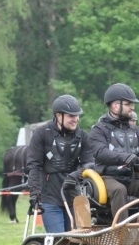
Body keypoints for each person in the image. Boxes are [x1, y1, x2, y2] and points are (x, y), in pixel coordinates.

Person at [89, 83, 139, 221]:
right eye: (129, 104)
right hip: (107, 178)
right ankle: (122, 231)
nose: (132, 107)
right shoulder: (99, 130)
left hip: (132, 179)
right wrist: (125, 157)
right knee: (119, 189)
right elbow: (101, 153)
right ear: (116, 106)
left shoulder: (136, 131)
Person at [26, 94, 93, 233]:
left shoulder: (83, 137)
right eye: (71, 116)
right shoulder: (41, 134)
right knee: (59, 240)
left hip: (74, 196)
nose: (75, 119)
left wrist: (75, 176)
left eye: (77, 115)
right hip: (49, 198)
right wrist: (35, 192)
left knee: (78, 240)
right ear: (58, 115)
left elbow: (90, 164)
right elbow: (34, 165)